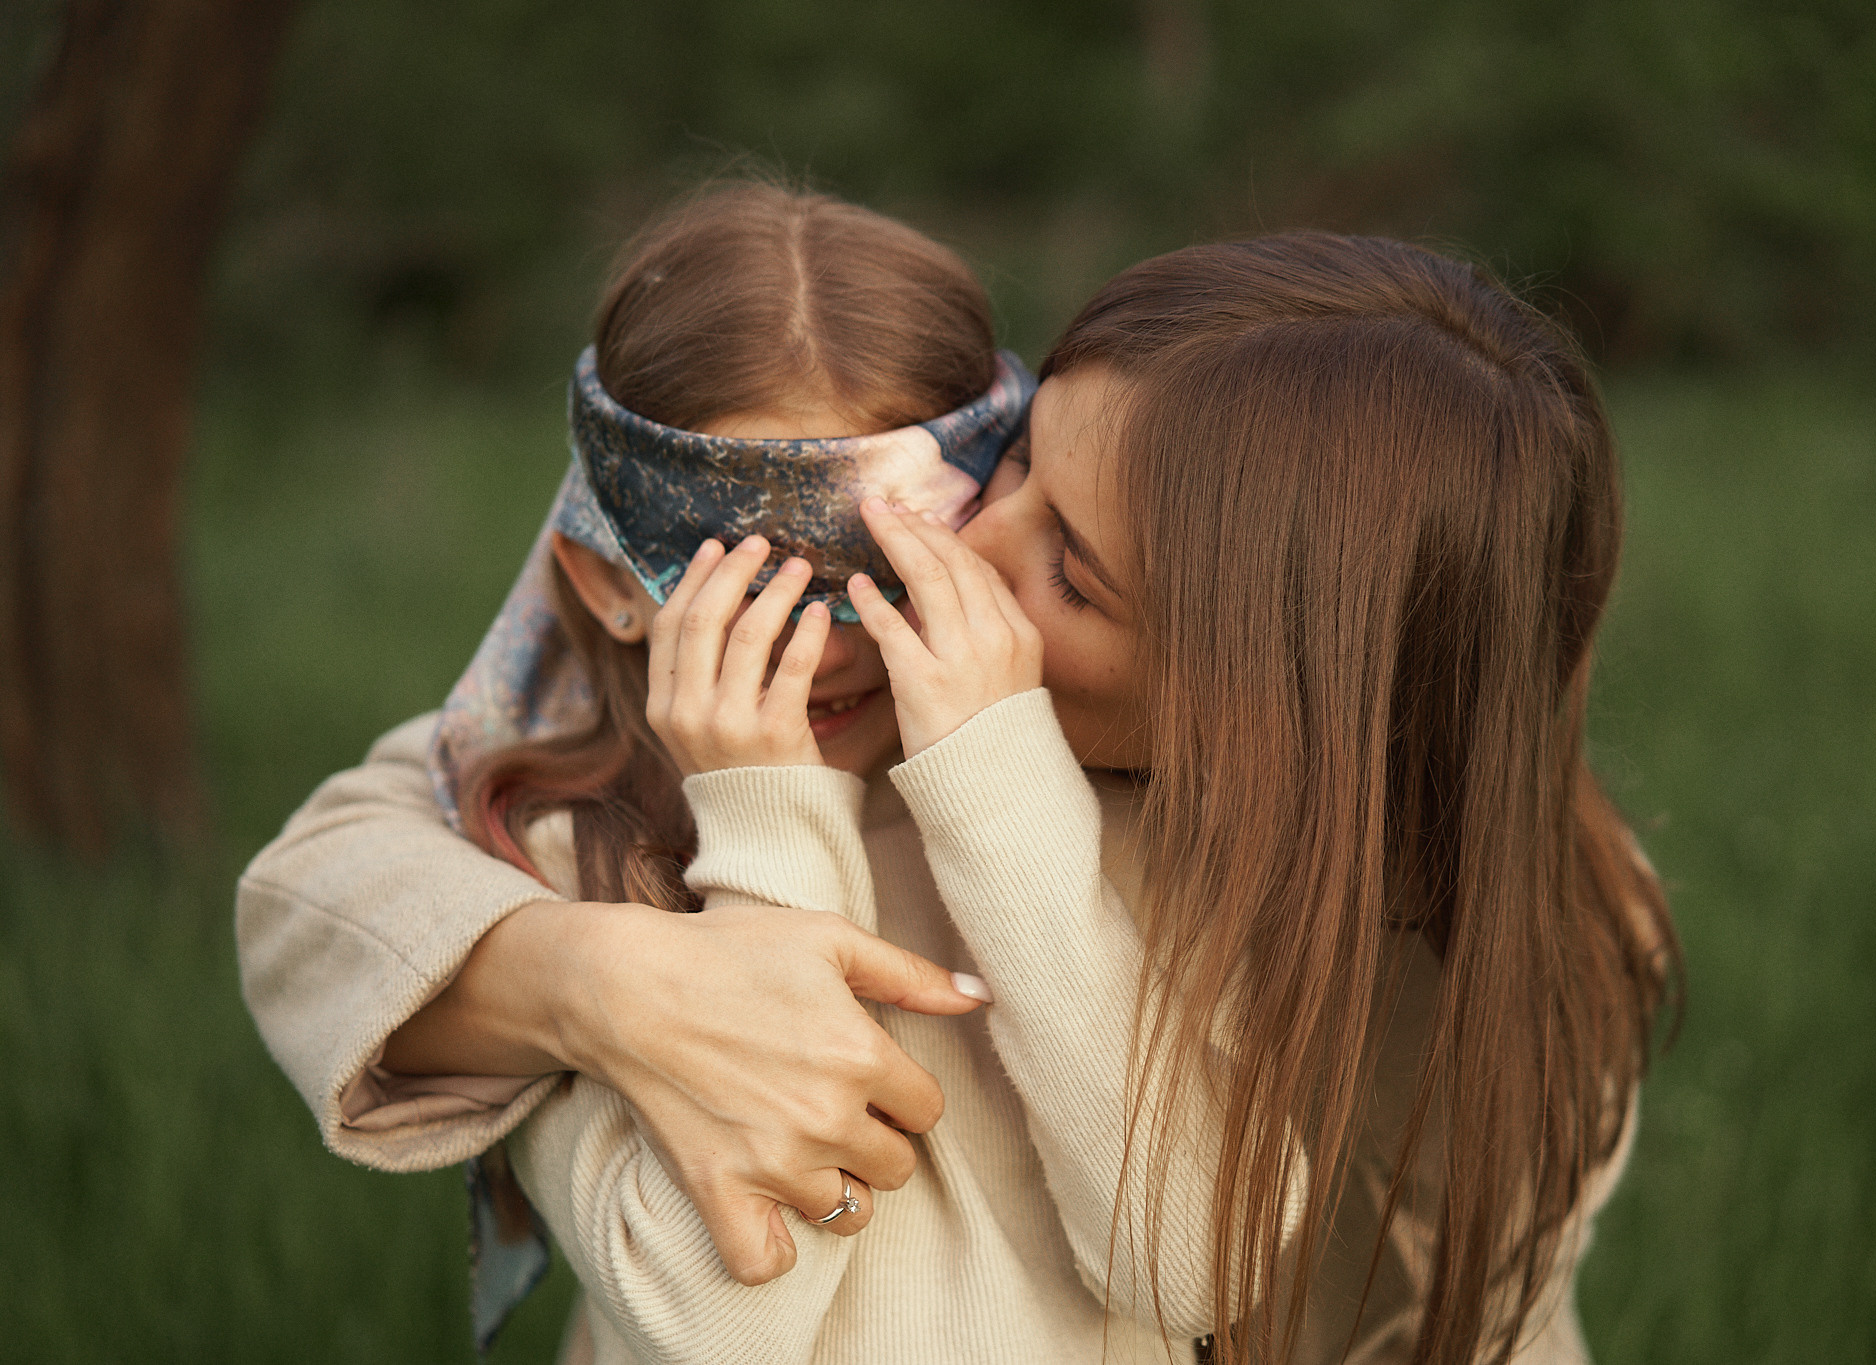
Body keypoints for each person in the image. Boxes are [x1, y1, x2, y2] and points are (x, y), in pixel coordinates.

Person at [240, 208, 1679, 1364]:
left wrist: (989, 786)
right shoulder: (610, 815)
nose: (951, 561)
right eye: (1008, 468)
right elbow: (340, 867)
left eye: (1075, 571)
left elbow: (1197, 1252)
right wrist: (602, 968)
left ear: (1261, 705)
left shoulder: (1529, 961)